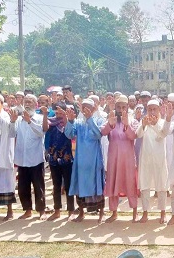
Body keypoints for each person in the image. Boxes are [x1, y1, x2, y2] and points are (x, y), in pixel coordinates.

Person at [65, 98, 106, 223]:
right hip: (81, 160)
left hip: (94, 160)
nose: (85, 110)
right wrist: (70, 121)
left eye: (88, 107)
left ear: (93, 109)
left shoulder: (99, 120)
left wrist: (90, 120)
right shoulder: (78, 122)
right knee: (81, 186)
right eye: (83, 108)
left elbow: (98, 135)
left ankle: (102, 213)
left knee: (97, 186)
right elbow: (69, 135)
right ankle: (81, 213)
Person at [9, 94, 48, 220]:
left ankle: (41, 210)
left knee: (38, 186)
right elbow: (11, 134)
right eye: (26, 101)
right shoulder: (19, 119)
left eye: (30, 101)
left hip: (36, 158)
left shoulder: (39, 117)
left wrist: (29, 122)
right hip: (22, 159)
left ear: (35, 104)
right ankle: (27, 210)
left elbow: (41, 133)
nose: (27, 104)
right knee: (23, 187)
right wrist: (13, 121)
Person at [101, 95, 139, 223]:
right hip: (114, 158)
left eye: (124, 107)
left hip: (128, 159)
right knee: (113, 183)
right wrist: (110, 125)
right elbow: (102, 132)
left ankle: (135, 212)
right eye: (119, 107)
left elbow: (134, 136)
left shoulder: (132, 120)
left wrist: (126, 125)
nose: (121, 109)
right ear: (115, 107)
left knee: (131, 183)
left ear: (127, 107)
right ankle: (114, 212)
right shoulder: (110, 119)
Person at [136, 99, 168, 224]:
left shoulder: (163, 123)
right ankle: (145, 212)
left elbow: (162, 135)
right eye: (150, 109)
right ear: (147, 110)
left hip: (160, 159)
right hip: (146, 159)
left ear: (159, 110)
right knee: (144, 185)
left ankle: (163, 213)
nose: (152, 112)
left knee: (162, 186)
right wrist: (144, 125)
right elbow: (138, 135)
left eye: (155, 109)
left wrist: (154, 125)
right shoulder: (144, 121)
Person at [46, 102, 76, 221]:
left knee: (68, 186)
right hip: (53, 159)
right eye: (56, 112)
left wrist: (67, 119)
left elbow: (71, 137)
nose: (58, 115)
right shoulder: (51, 123)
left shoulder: (70, 123)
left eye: (61, 112)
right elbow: (45, 130)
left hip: (67, 159)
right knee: (56, 186)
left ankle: (71, 211)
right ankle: (57, 210)